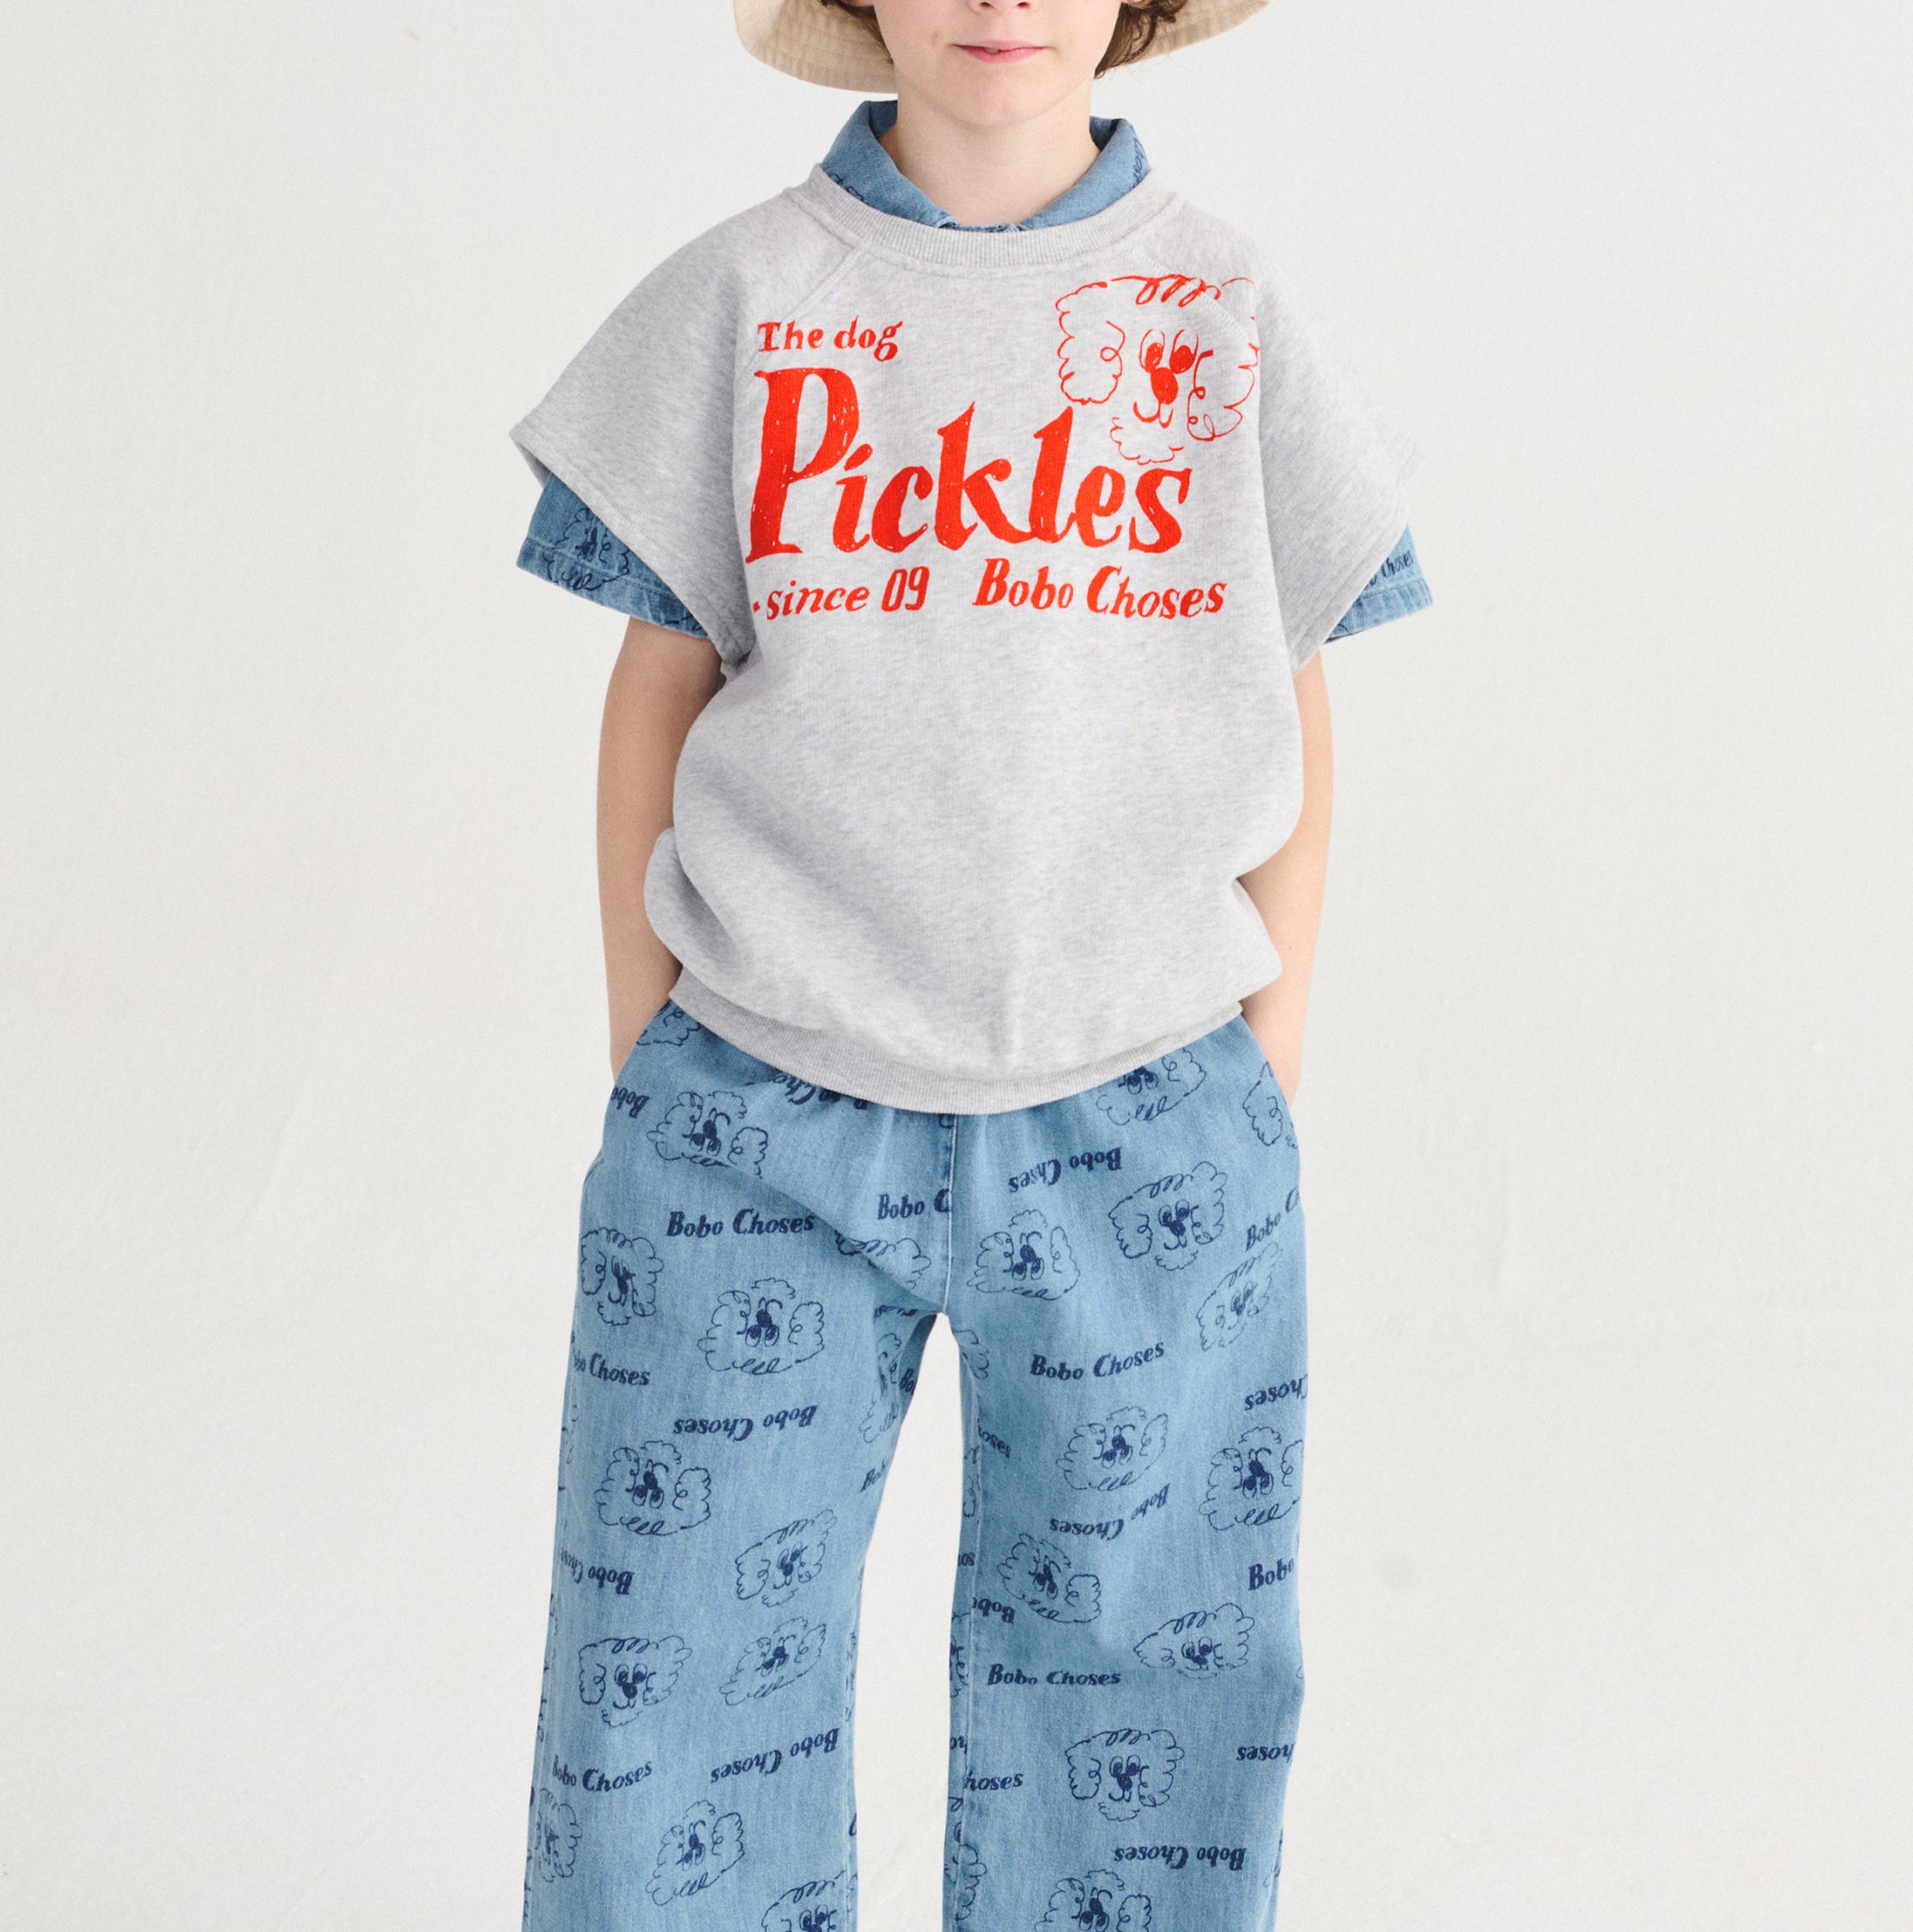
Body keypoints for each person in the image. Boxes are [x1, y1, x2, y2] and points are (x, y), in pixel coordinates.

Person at [507, 3, 1429, 1925]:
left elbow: (1294, 693)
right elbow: (653, 691)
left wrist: (1264, 1064)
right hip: (755, 1114)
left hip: (1149, 1117)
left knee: (1149, 1671)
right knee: (670, 1666)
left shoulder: (1224, 310)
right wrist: (646, 1047)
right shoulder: (747, 299)